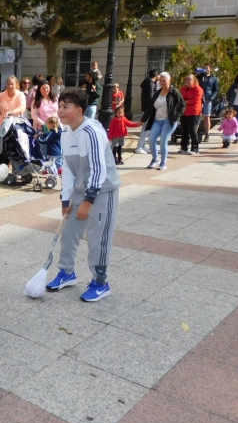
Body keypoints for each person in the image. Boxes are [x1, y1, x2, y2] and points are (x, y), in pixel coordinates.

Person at [46, 87, 120, 302]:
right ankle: (67, 273)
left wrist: (89, 201)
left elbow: (99, 168)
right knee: (69, 233)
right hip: (79, 191)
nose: (60, 110)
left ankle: (100, 282)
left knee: (98, 239)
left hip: (102, 191)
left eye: (65, 107)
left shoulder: (92, 131)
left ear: (79, 110)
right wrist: (66, 198)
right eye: (59, 106)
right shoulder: (66, 132)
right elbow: (68, 168)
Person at [142, 72, 186, 171]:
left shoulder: (174, 91)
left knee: (163, 142)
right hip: (157, 120)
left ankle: (163, 162)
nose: (162, 82)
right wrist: (142, 120)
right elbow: (150, 108)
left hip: (168, 121)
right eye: (160, 81)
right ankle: (155, 158)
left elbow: (182, 105)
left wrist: (176, 116)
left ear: (169, 81)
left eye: (164, 80)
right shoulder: (158, 92)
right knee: (151, 140)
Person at [0, 75, 25, 164]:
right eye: (8, 84)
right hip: (1, 125)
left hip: (14, 126)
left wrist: (12, 112)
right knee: (0, 148)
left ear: (16, 85)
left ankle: (15, 169)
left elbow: (22, 107)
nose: (10, 86)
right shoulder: (2, 95)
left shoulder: (20, 95)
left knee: (14, 148)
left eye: (12, 84)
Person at [178, 73, 204, 155]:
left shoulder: (197, 89)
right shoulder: (182, 89)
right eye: (186, 79)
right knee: (184, 130)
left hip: (194, 111)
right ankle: (184, 147)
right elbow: (179, 99)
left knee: (192, 129)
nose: (187, 81)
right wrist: (186, 102)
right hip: (184, 112)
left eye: (189, 79)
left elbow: (196, 100)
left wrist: (186, 101)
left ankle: (195, 148)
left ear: (194, 80)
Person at [136, 70, 158, 154]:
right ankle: (139, 147)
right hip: (149, 110)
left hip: (146, 109)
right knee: (146, 129)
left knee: (145, 129)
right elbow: (151, 99)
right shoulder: (151, 84)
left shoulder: (148, 83)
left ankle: (142, 145)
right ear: (156, 75)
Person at [197, 63, 219, 142]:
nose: (205, 69)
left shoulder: (214, 79)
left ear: (211, 69)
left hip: (207, 99)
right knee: (197, 116)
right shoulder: (199, 77)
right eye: (204, 68)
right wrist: (199, 71)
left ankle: (207, 134)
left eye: (207, 68)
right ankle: (195, 133)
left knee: (207, 117)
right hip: (199, 99)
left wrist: (211, 98)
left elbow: (216, 90)